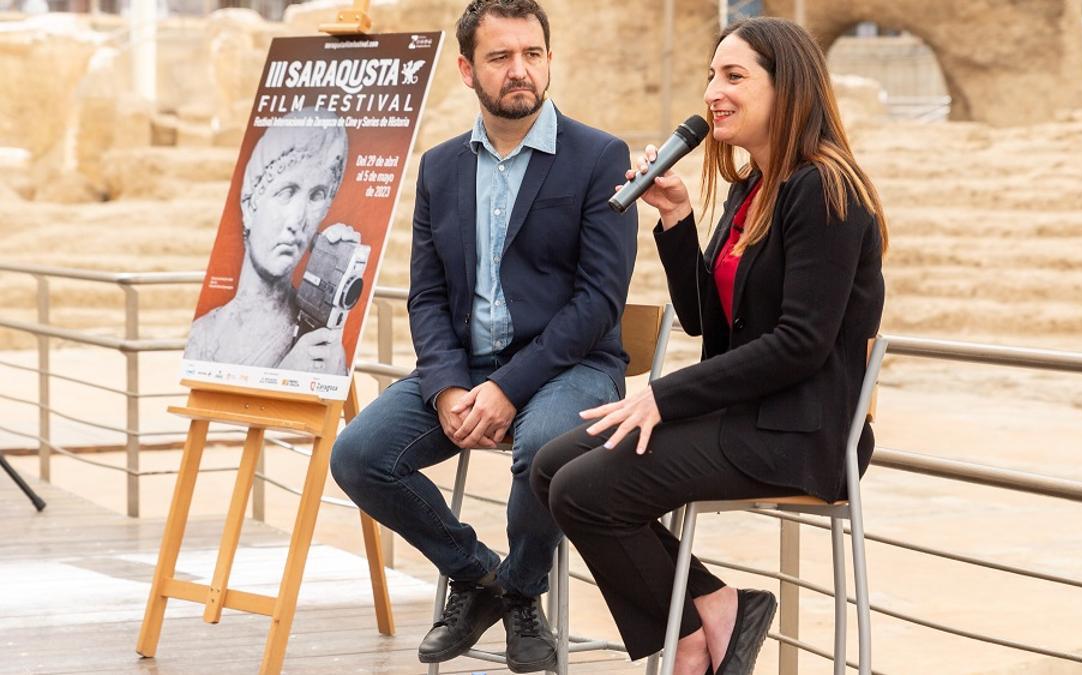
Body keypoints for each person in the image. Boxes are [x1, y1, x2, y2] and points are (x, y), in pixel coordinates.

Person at [530, 17, 888, 675]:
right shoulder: (753, 187)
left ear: (789, 89)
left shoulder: (825, 189)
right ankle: (714, 609)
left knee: (586, 490)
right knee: (553, 465)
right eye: (710, 75)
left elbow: (800, 345)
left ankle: (696, 634)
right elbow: (705, 324)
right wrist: (675, 217)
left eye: (733, 76)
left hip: (803, 429)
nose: (712, 92)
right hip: (747, 412)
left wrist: (661, 396)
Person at [328, 0, 638, 671]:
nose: (519, 70)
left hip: (572, 365)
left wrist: (506, 387)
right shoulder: (440, 167)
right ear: (468, 70)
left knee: (543, 449)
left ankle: (525, 592)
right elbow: (429, 294)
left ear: (550, 59)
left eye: (532, 53)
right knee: (356, 455)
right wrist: (444, 386)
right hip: (464, 367)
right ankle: (478, 575)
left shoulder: (599, 156)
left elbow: (597, 302)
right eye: (501, 57)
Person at [184, 111, 357, 375]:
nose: (297, 220)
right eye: (286, 192)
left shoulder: (318, 341)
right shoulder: (203, 336)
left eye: (317, 196)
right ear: (250, 206)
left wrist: (334, 276)